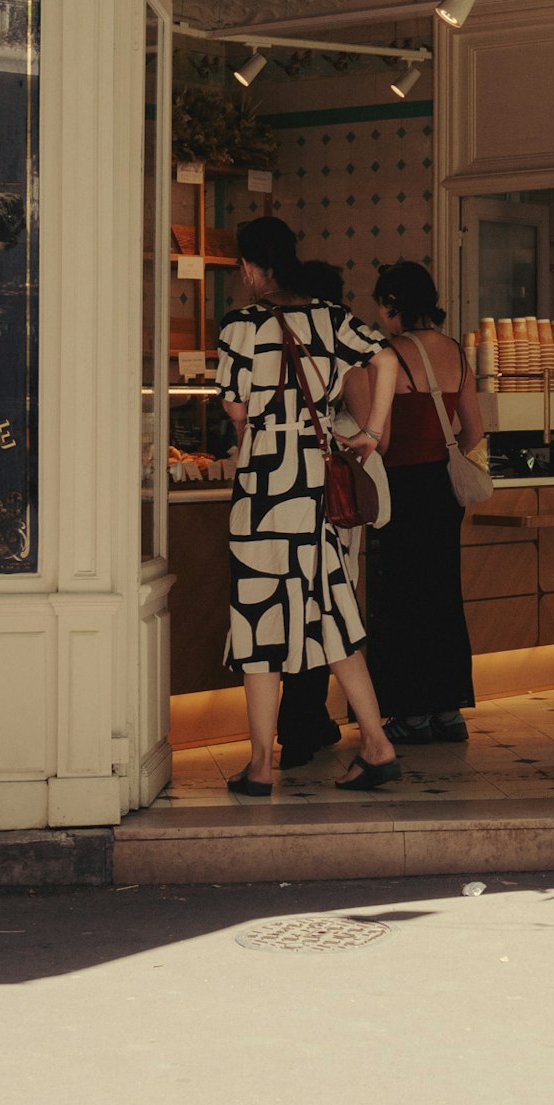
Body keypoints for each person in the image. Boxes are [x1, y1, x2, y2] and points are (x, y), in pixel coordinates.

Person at [213, 219, 402, 798]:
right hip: (313, 484)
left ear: (250, 266)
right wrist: (370, 432)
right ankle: (376, 743)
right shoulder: (330, 317)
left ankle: (260, 765)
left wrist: (262, 437)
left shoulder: (240, 327)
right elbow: (386, 360)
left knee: (258, 615)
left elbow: (239, 413)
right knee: (330, 611)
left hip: (265, 488)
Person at [363, 260, 490, 744]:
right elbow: (475, 430)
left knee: (400, 598)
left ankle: (410, 713)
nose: (379, 314)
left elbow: (386, 437)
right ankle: (448, 709)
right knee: (442, 594)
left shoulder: (388, 354)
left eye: (382, 304)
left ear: (394, 304)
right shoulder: (457, 352)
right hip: (442, 489)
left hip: (402, 488)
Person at [273, 259, 385, 770]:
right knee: (327, 608)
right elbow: (364, 414)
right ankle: (310, 721)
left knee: (300, 605)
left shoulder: (270, 334)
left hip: (294, 490)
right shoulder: (340, 339)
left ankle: (300, 724)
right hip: (328, 491)